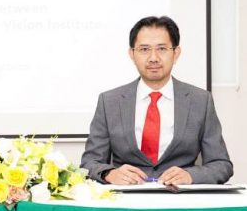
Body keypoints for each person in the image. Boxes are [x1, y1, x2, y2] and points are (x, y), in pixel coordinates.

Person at [81, 16, 233, 185]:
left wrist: (191, 176)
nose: (153, 58)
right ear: (132, 54)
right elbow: (89, 163)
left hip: (180, 197)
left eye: (161, 49)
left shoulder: (200, 101)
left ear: (176, 53)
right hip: (126, 197)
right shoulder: (109, 102)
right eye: (144, 49)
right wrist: (109, 174)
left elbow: (221, 165)